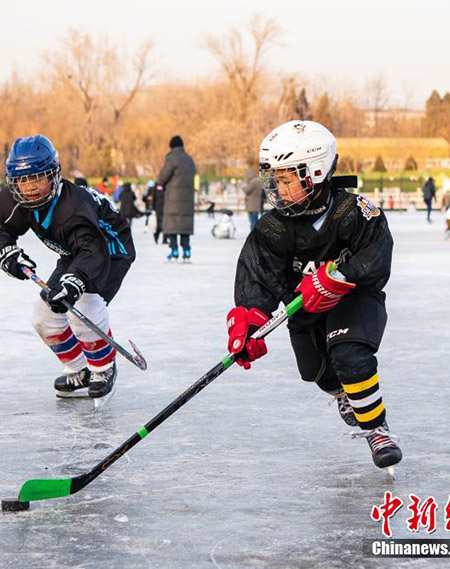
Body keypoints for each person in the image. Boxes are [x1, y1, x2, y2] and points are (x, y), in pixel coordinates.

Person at [227, 120, 401, 470]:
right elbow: (258, 276)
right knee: (317, 372)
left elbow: (377, 256)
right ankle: (342, 393)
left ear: (316, 171)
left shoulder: (353, 212)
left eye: (288, 179)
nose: (279, 188)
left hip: (353, 300)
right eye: (277, 179)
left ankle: (377, 430)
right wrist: (250, 321)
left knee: (350, 355)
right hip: (304, 310)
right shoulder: (273, 227)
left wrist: (339, 277)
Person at [0, 135, 135, 401]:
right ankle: (79, 370)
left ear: (53, 175)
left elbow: (91, 250)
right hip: (72, 252)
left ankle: (102, 368)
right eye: (22, 180)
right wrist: (6, 254)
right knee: (44, 317)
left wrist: (74, 283)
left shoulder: (74, 208)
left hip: (108, 249)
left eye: (37, 178)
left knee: (82, 308)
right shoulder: (12, 200)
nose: (29, 187)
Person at [157, 135, 197, 261]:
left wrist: (160, 184)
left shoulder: (171, 159)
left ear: (171, 146)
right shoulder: (190, 159)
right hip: (187, 199)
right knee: (184, 225)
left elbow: (162, 177)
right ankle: (186, 250)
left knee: (172, 224)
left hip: (173, 198)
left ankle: (174, 250)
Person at [243, 164, 264, 231]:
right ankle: (256, 234)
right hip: (256, 203)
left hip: (252, 204)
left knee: (253, 221)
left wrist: (243, 187)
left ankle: (253, 234)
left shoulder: (253, 182)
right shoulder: (257, 180)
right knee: (255, 220)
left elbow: (247, 190)